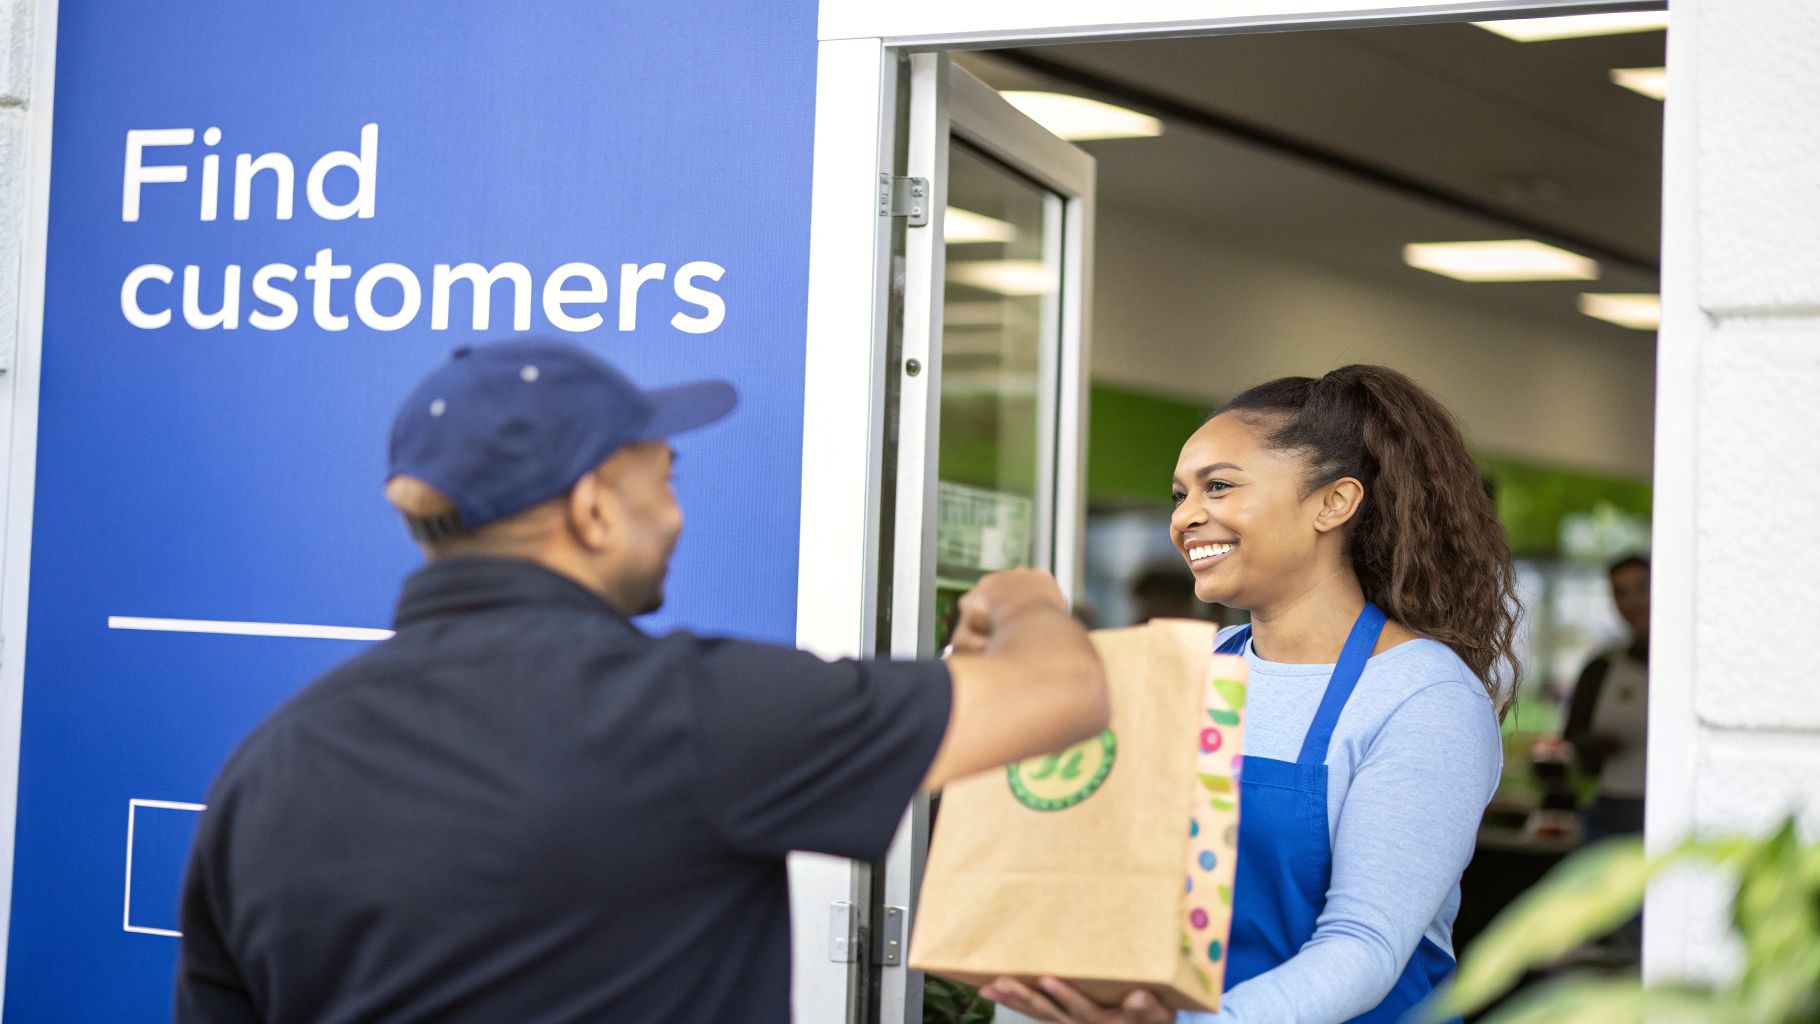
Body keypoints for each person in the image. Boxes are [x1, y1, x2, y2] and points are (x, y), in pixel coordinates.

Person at [174, 339, 1109, 1023]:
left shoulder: (269, 766)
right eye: (663, 480)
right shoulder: (691, 710)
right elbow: (1062, 695)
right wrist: (1022, 600)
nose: (674, 514)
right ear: (591, 511)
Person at [983, 366, 1513, 1024]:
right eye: (1180, 495)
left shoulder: (1422, 696)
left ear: (1333, 503)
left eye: (1219, 487)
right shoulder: (1183, 672)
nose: (1186, 518)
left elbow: (1364, 946)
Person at [1563, 555, 1650, 844]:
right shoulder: (1601, 668)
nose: (1634, 601)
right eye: (1621, 593)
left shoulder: (1691, 668)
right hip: (1610, 809)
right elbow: (1572, 736)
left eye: (1642, 587)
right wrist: (1595, 745)